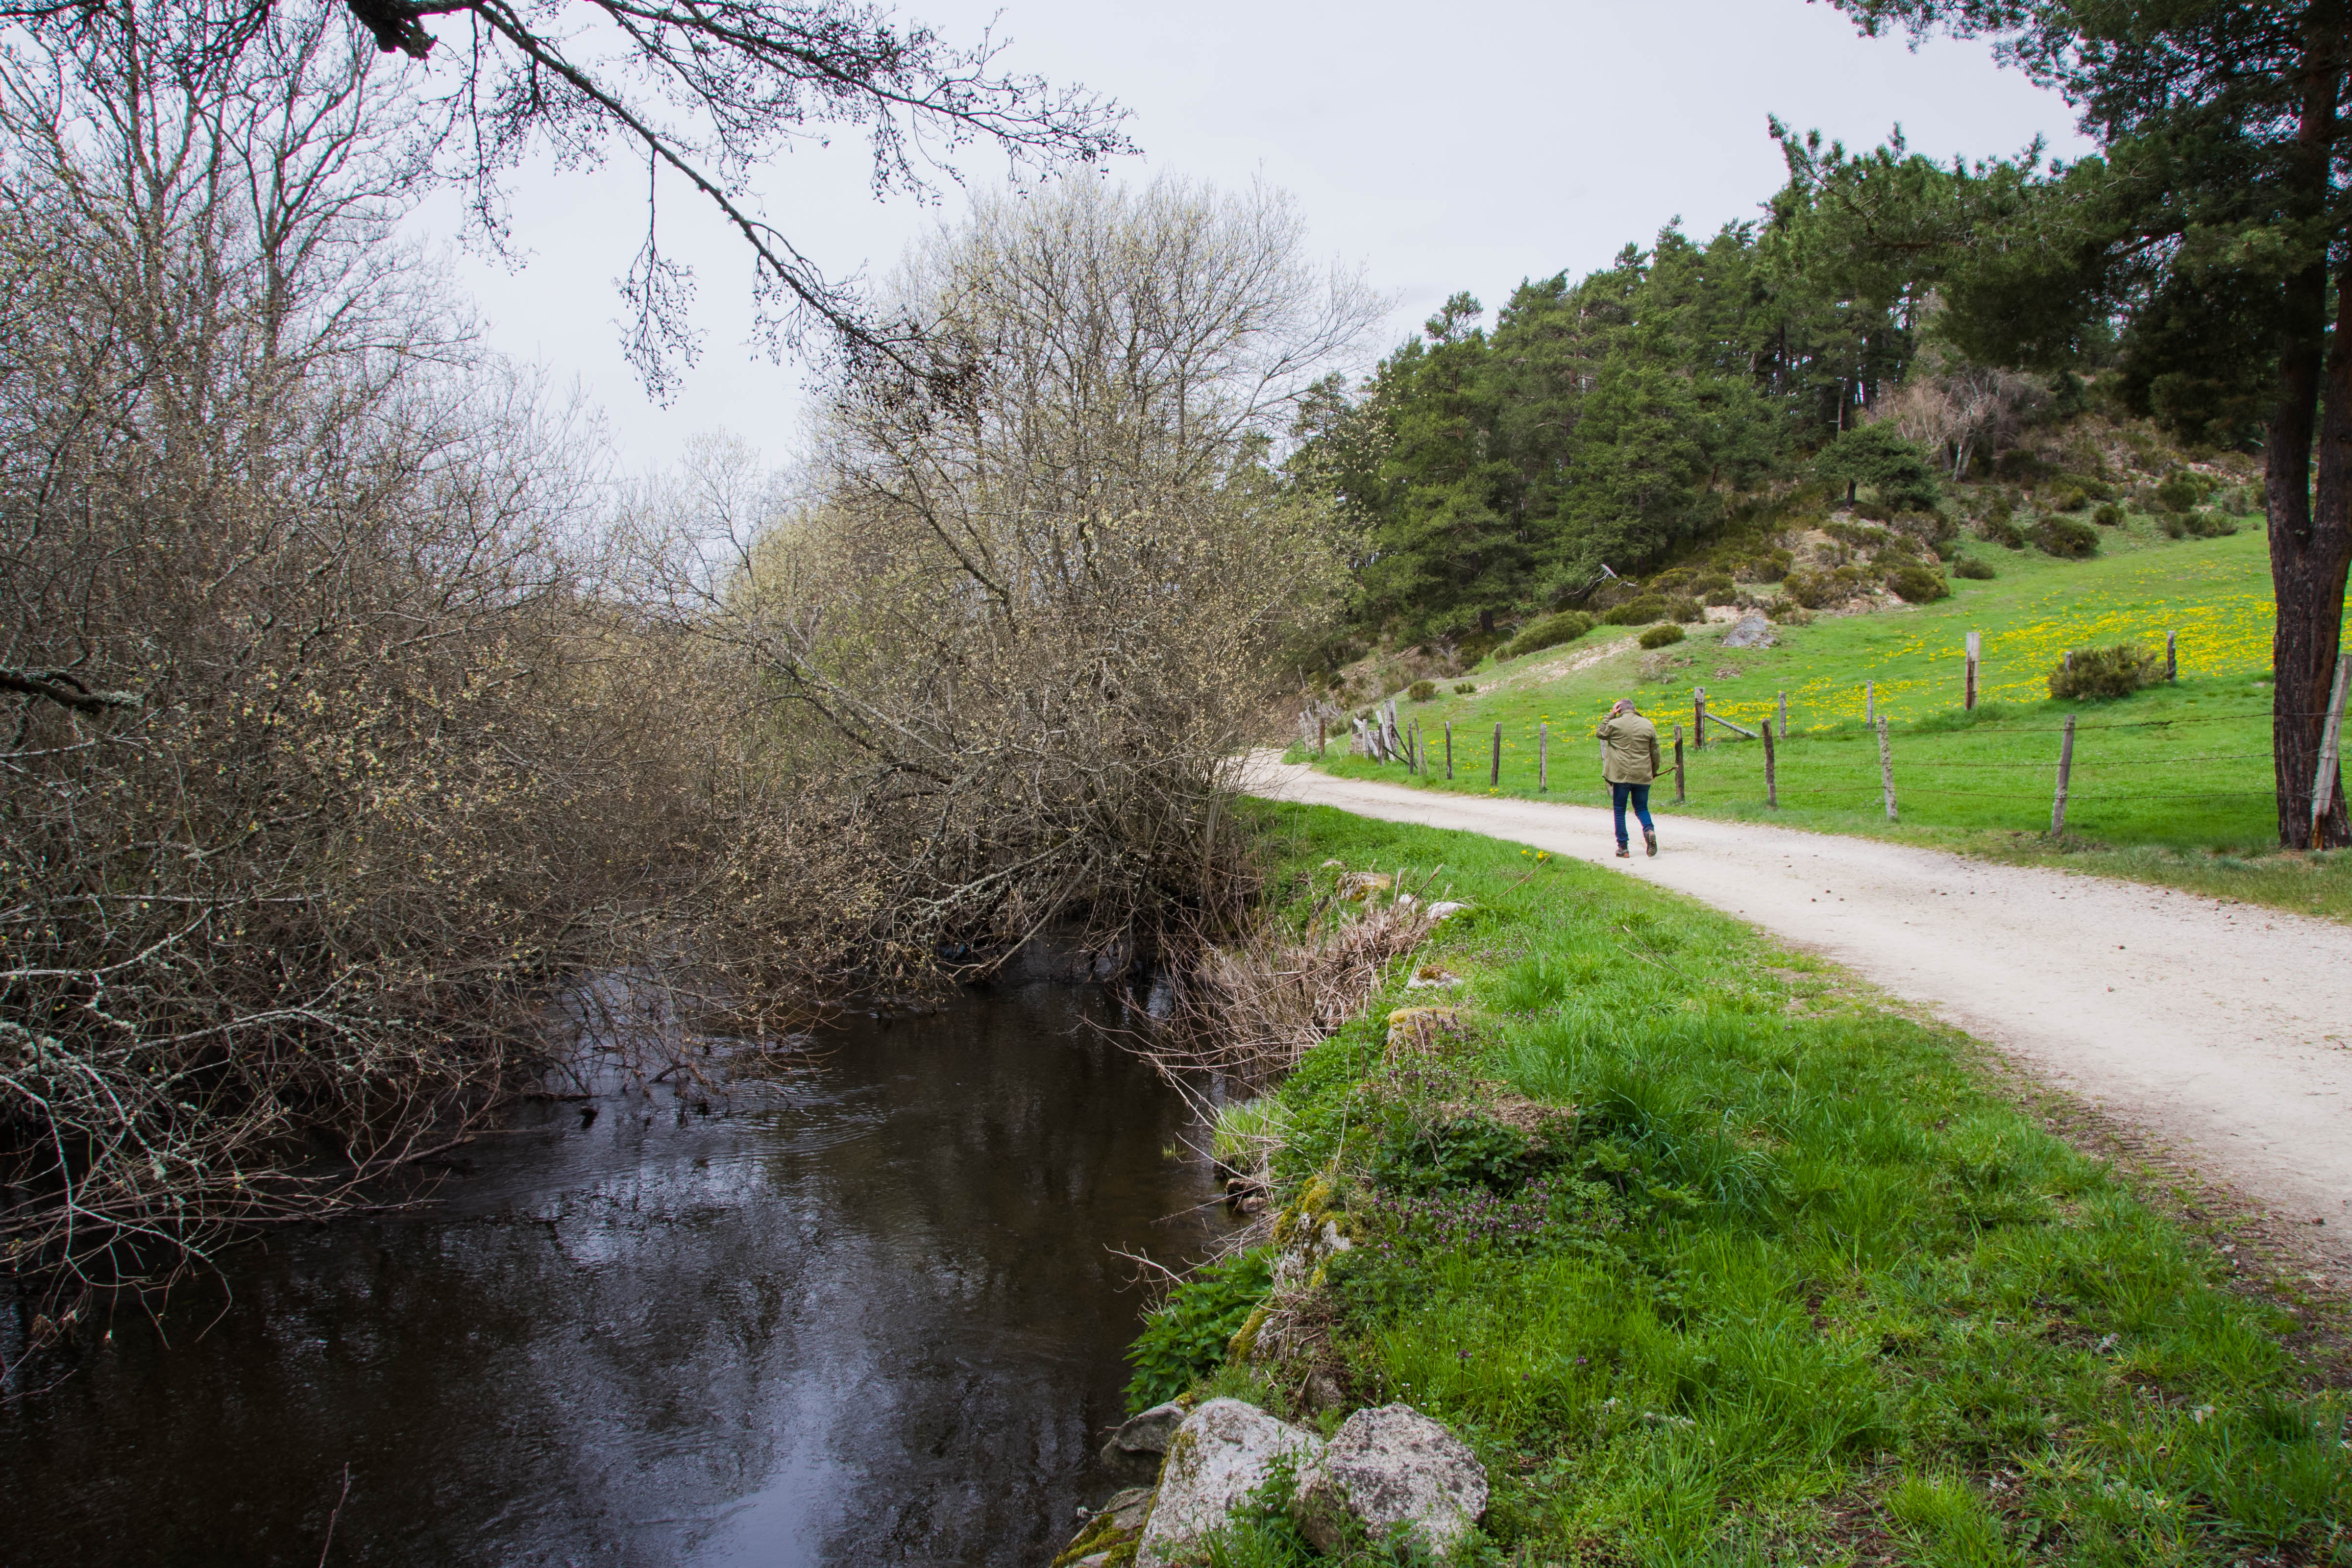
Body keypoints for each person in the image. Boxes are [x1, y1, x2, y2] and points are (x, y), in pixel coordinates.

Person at [1594, 698, 1661, 858]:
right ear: (1635, 708)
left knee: (1620, 811)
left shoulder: (1615, 724)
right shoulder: (1648, 724)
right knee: (1642, 808)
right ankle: (1649, 830)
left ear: (1619, 710)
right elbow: (1656, 752)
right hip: (1643, 774)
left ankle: (1623, 848)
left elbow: (1600, 732)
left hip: (1621, 776)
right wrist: (1653, 771)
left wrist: (1610, 715)